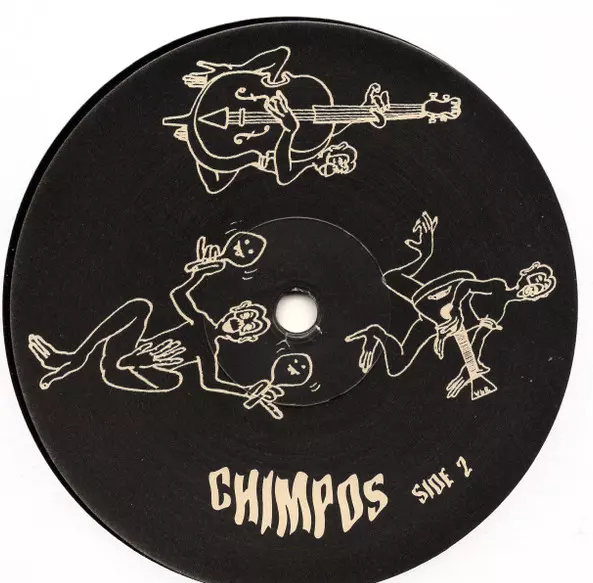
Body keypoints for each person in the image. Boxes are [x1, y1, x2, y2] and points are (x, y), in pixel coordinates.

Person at [27, 235, 289, 415]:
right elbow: (179, 294)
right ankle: (75, 358)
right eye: (243, 316)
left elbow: (211, 382)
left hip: (127, 371)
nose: (240, 323)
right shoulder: (199, 321)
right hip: (122, 352)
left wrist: (245, 391)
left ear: (243, 338)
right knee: (140, 307)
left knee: (173, 380)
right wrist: (199, 273)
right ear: (233, 310)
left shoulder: (210, 351)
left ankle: (131, 363)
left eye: (248, 326)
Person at [345, 212, 557, 399]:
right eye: (536, 279)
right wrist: (455, 307)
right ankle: (426, 255)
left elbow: (479, 338)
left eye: (541, 288)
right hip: (439, 299)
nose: (534, 286)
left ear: (536, 297)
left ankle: (376, 334)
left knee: (397, 365)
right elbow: (466, 285)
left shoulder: (497, 315)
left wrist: (469, 369)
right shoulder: (498, 287)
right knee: (393, 279)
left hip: (436, 323)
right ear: (525, 274)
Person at [163, 47, 389, 193]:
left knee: (215, 185)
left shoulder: (308, 157)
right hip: (240, 99)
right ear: (336, 149)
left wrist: (288, 130)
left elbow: (284, 176)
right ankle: (224, 77)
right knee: (282, 54)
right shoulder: (326, 135)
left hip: (240, 142)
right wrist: (230, 74)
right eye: (341, 161)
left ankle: (194, 139)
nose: (338, 167)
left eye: (340, 169)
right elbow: (280, 54)